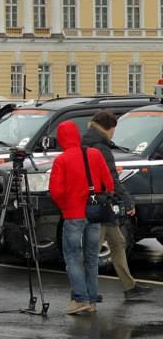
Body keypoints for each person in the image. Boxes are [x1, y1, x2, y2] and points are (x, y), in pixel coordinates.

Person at [80, 112, 152, 301]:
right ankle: (82, 292)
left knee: (118, 243)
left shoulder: (86, 141)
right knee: (92, 250)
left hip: (95, 202)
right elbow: (111, 177)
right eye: (114, 130)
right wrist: (127, 200)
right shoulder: (101, 147)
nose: (114, 135)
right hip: (102, 203)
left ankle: (130, 286)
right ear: (108, 127)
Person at [50, 120, 114, 314]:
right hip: (94, 214)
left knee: (71, 257)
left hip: (73, 214)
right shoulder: (94, 154)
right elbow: (109, 184)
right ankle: (92, 300)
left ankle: (80, 299)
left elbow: (56, 190)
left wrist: (65, 208)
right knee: (91, 258)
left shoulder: (62, 160)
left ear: (62, 138)